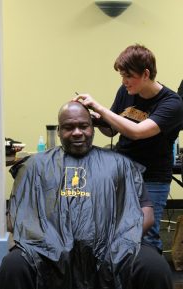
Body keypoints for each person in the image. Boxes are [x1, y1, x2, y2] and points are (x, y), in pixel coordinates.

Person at [0, 102, 174, 289]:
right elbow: (17, 215)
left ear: (93, 127)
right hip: (47, 251)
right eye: (69, 127)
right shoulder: (35, 166)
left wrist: (119, 243)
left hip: (113, 249)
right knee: (12, 267)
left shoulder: (120, 164)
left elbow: (145, 211)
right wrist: (49, 243)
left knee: (155, 267)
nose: (77, 132)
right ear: (60, 130)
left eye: (83, 126)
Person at [72, 44, 183, 252]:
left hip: (152, 178)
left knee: (146, 235)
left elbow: (137, 131)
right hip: (122, 173)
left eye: (128, 76)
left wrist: (101, 108)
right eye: (122, 76)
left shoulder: (172, 103)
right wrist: (93, 118)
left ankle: (150, 279)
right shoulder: (126, 91)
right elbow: (113, 130)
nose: (124, 81)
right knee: (117, 230)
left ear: (146, 74)